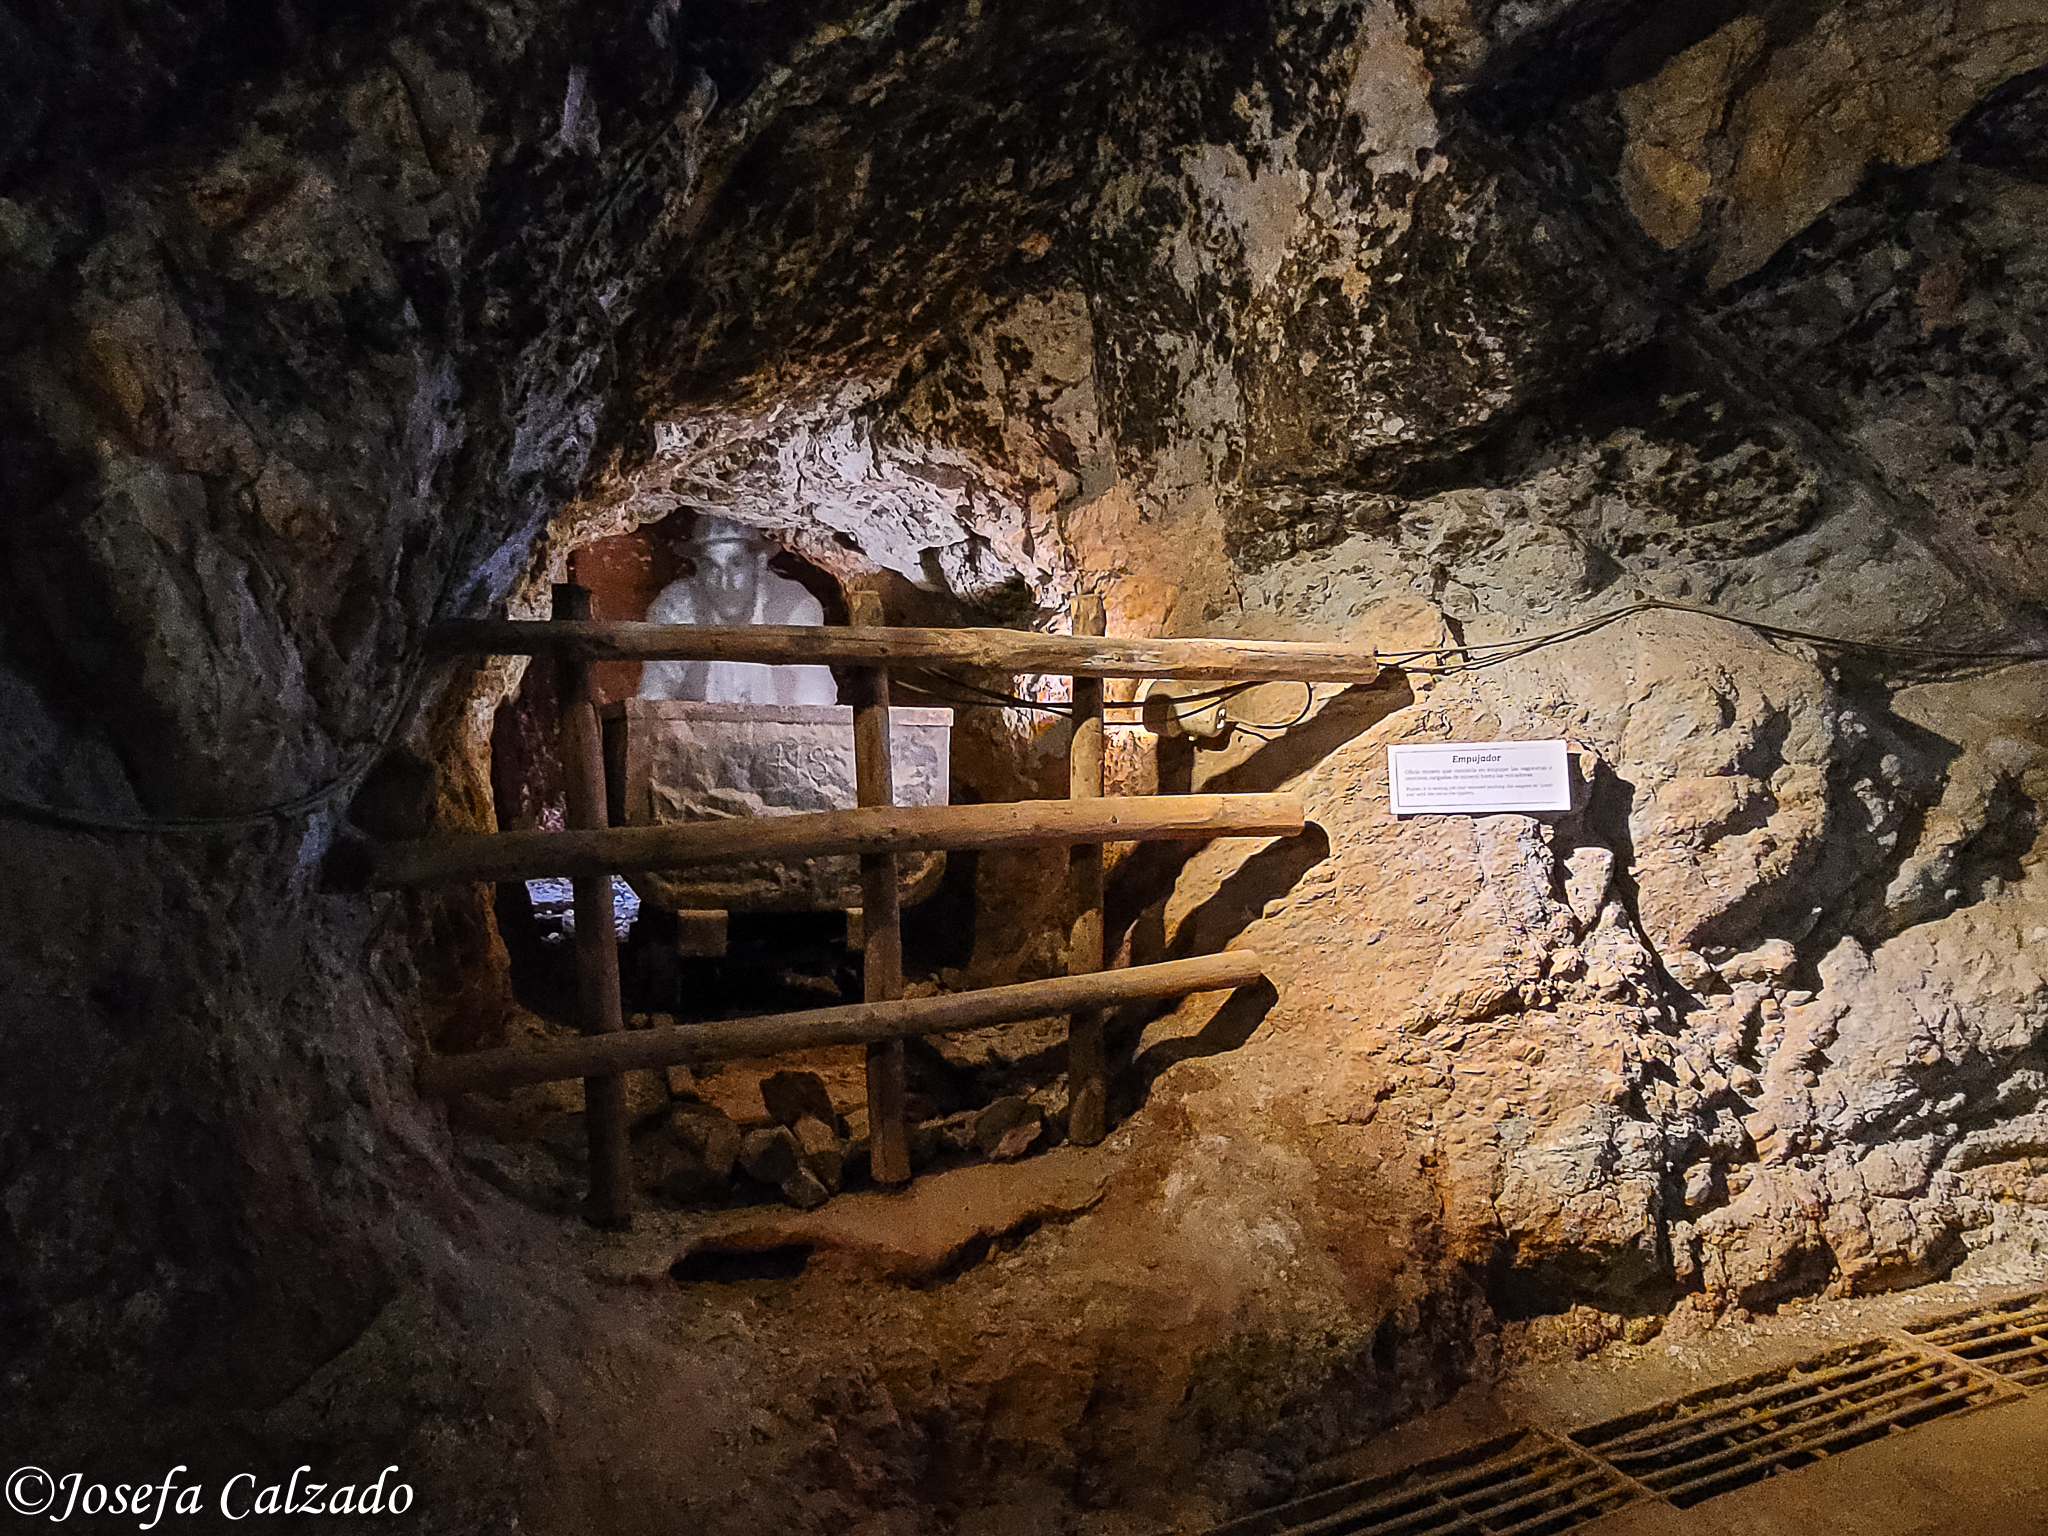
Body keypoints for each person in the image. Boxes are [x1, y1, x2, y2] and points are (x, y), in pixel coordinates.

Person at [636, 515, 839, 705]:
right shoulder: (676, 607)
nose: (725, 583)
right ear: (698, 567)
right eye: (712, 567)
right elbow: (654, 694)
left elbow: (815, 694)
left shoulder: (792, 606)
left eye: (736, 564)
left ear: (758, 563)